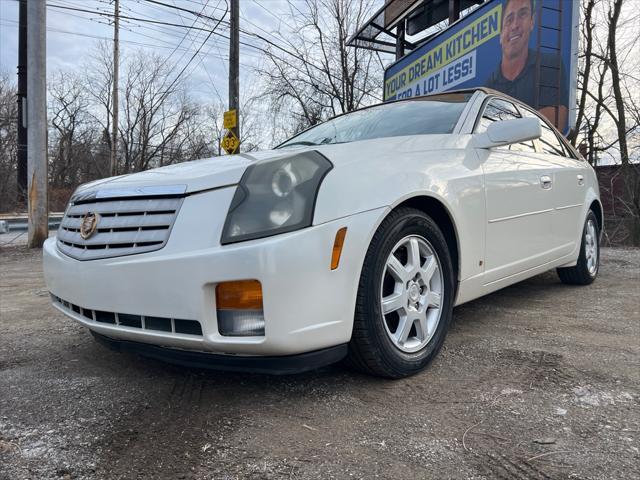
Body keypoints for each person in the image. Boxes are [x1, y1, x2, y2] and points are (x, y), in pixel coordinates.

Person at [486, 0, 568, 131]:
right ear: (500, 34)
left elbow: (552, 127)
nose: (515, 25)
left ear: (532, 21)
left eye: (522, 14)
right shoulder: (488, 88)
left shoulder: (550, 65)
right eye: (509, 19)